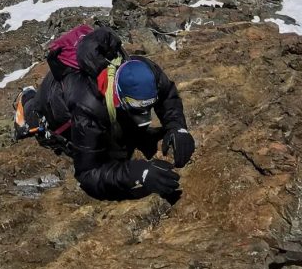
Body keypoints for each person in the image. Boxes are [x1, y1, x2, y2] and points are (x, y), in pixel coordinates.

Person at [13, 24, 195, 202]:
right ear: (118, 95)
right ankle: (27, 100)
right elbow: (88, 174)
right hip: (55, 101)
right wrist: (138, 173)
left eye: (148, 107)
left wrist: (178, 128)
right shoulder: (87, 105)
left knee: (125, 134)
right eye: (138, 108)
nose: (146, 115)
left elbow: (167, 94)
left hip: (88, 96)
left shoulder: (145, 70)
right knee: (42, 127)